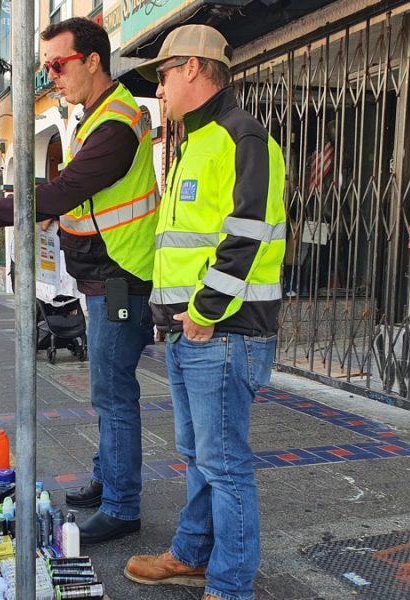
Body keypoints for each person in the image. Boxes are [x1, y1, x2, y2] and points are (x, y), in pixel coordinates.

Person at [0, 17, 158, 545]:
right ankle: (108, 477)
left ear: (92, 60)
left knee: (113, 392)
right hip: (105, 274)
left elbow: (58, 193)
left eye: (58, 64)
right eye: (45, 66)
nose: (51, 76)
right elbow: (78, 197)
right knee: (108, 390)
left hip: (122, 277)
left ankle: (122, 506)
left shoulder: (116, 123)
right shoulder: (93, 116)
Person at [125, 25, 286, 600]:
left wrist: (206, 309)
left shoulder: (240, 136)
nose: (160, 89)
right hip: (191, 331)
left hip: (222, 331)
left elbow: (248, 234)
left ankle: (232, 584)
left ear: (193, 68)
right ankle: (192, 555)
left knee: (223, 464)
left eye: (164, 75)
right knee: (199, 457)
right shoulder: (196, 141)